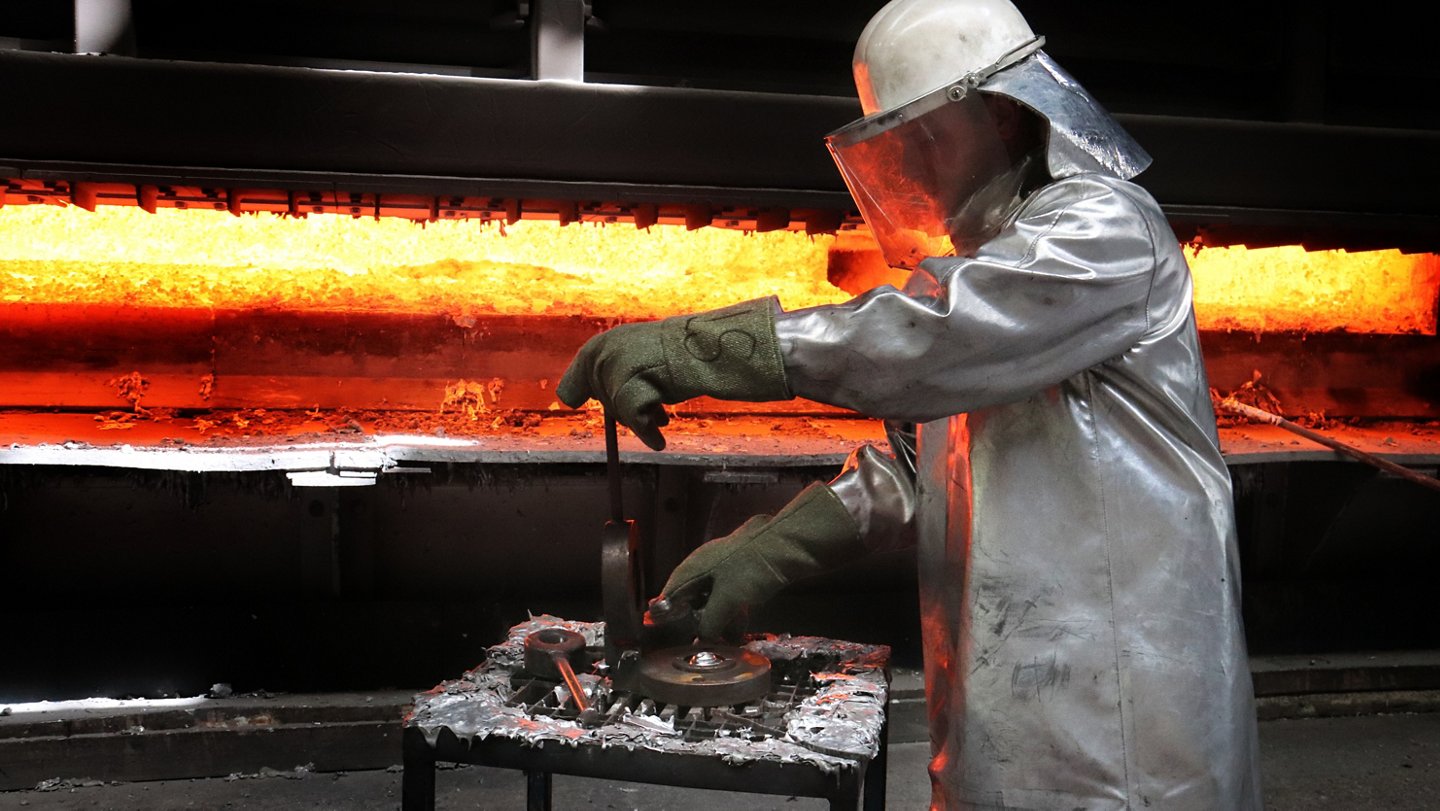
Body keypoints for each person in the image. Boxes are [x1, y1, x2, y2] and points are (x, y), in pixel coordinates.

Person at [556, 0, 1263, 806]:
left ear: (1001, 111)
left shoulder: (1104, 230)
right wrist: (774, 546)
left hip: (1128, 718)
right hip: (1019, 695)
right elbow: (924, 456)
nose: (913, 170)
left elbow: (936, 334)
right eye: (894, 149)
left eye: (923, 139)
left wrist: (705, 349)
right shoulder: (1007, 261)